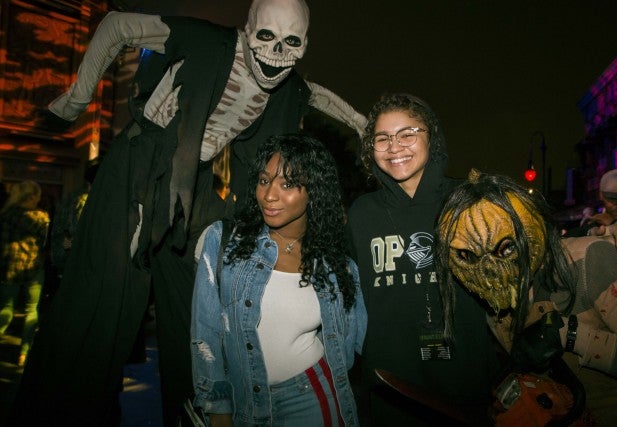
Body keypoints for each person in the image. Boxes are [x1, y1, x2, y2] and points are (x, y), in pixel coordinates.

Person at [11, 1, 366, 425]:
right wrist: (77, 98)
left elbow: (317, 94)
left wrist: (363, 124)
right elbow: (118, 25)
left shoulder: (287, 85)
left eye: (292, 42)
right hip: (142, 165)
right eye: (267, 37)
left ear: (303, 46)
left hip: (192, 183)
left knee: (202, 287)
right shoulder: (206, 40)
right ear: (248, 31)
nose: (276, 54)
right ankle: (66, 409)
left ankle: (197, 408)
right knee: (108, 286)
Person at [436, 170, 617, 422]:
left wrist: (570, 334)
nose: (489, 273)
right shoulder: (487, 300)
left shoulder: (591, 260)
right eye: (468, 256)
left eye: (506, 247)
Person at [191, 134, 367, 426]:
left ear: (314, 191)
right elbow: (205, 333)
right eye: (263, 181)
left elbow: (348, 343)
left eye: (287, 184)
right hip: (243, 401)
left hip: (312, 396)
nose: (269, 195)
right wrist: (218, 408)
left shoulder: (337, 265)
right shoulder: (224, 242)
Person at [346, 93, 499, 425]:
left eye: (407, 134)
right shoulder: (361, 213)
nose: (394, 146)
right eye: (382, 138)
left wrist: (607, 234)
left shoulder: (469, 202)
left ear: (432, 136)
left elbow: (524, 257)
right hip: (390, 386)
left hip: (464, 381)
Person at [0, 180, 50, 367]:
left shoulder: (6, 215)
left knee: (5, 308)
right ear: (31, 196)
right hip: (33, 269)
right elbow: (44, 243)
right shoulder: (41, 217)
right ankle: (24, 353)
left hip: (9, 269)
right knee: (31, 311)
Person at [565, 168, 617, 238]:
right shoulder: (594, 218)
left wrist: (612, 223)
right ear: (601, 195)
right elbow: (565, 239)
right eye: (613, 199)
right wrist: (590, 231)